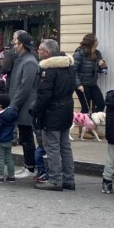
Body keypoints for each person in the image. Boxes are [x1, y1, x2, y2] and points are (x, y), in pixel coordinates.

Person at [31, 39, 77, 192]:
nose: (38, 52)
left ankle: (56, 179)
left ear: (48, 52)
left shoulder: (48, 69)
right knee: (65, 146)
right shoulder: (70, 67)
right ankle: (69, 178)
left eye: (40, 50)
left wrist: (35, 111)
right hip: (67, 108)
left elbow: (44, 94)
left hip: (52, 111)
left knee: (52, 146)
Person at [6, 31, 39, 179]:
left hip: (26, 105)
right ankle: (28, 165)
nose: (14, 45)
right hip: (21, 104)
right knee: (24, 137)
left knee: (27, 137)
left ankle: (31, 167)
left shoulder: (30, 61)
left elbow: (25, 87)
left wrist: (14, 104)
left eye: (16, 43)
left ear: (22, 45)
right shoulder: (23, 60)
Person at [72, 32, 107, 114]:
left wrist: (102, 65)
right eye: (96, 40)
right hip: (82, 85)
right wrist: (78, 85)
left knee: (101, 104)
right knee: (86, 108)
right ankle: (82, 126)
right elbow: (73, 71)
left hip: (92, 84)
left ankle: (93, 123)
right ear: (92, 42)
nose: (98, 42)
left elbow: (101, 70)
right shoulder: (79, 53)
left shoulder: (97, 53)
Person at [0, 93, 19, 183]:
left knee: (0, 159)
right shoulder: (10, 114)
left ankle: (0, 176)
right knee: (9, 158)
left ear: (0, 105)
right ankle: (11, 176)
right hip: (8, 141)